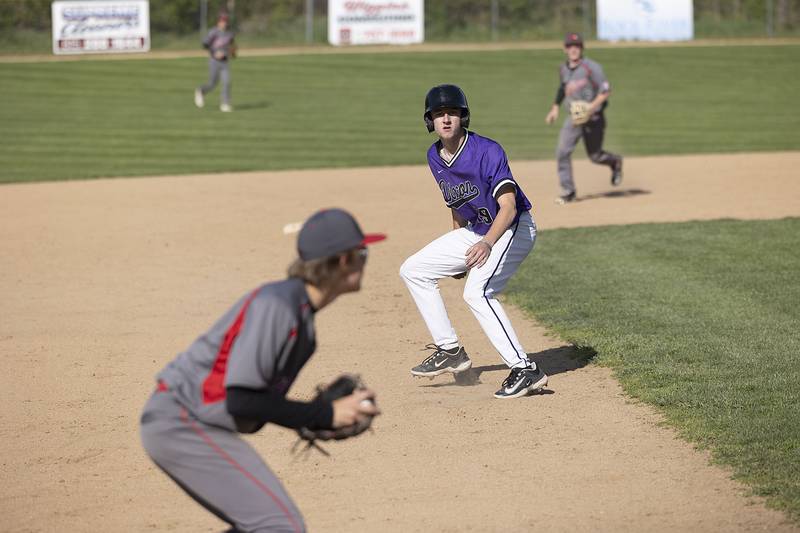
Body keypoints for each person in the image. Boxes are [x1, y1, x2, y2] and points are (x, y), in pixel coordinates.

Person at [140, 208, 384, 532]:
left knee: (267, 524)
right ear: (342, 261)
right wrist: (323, 414)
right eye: (362, 253)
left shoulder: (302, 322)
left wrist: (312, 417)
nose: (365, 260)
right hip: (180, 420)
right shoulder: (278, 306)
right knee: (278, 524)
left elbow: (254, 403)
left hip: (192, 422)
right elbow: (241, 400)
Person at [399, 84, 548, 400]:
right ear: (430, 121)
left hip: (513, 228)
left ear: (462, 116)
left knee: (477, 292)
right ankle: (450, 350)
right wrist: (455, 249)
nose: (446, 119)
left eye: (452, 112)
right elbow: (457, 205)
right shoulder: (434, 156)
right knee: (413, 270)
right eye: (439, 114)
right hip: (477, 230)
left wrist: (487, 245)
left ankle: (525, 370)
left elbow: (508, 207)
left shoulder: (487, 151)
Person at [545, 32, 623, 204]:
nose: (574, 49)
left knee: (595, 156)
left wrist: (590, 107)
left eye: (577, 46)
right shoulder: (563, 68)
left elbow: (606, 91)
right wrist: (555, 107)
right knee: (562, 152)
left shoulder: (592, 67)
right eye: (570, 46)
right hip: (574, 118)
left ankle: (615, 162)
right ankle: (569, 191)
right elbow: (562, 88)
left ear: (581, 48)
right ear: (565, 49)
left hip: (594, 118)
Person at [195, 12, 237, 112]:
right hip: (214, 61)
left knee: (227, 82)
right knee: (212, 84)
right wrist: (214, 52)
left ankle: (225, 104)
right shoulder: (213, 32)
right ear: (218, 22)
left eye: (225, 21)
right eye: (222, 21)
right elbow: (205, 44)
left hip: (225, 62)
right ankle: (201, 91)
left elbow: (232, 45)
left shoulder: (229, 33)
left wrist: (233, 52)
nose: (224, 23)